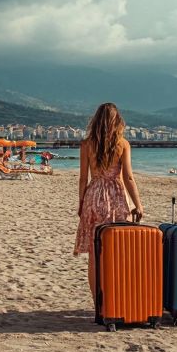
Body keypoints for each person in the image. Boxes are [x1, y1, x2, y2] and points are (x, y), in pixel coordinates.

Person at [75, 102, 144, 297]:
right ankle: (116, 299)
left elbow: (82, 179)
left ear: (96, 121)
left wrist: (81, 204)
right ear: (117, 121)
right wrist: (138, 204)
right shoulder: (123, 144)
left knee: (94, 256)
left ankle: (99, 303)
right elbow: (129, 177)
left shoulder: (87, 144)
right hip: (116, 197)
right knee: (118, 250)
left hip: (94, 196)